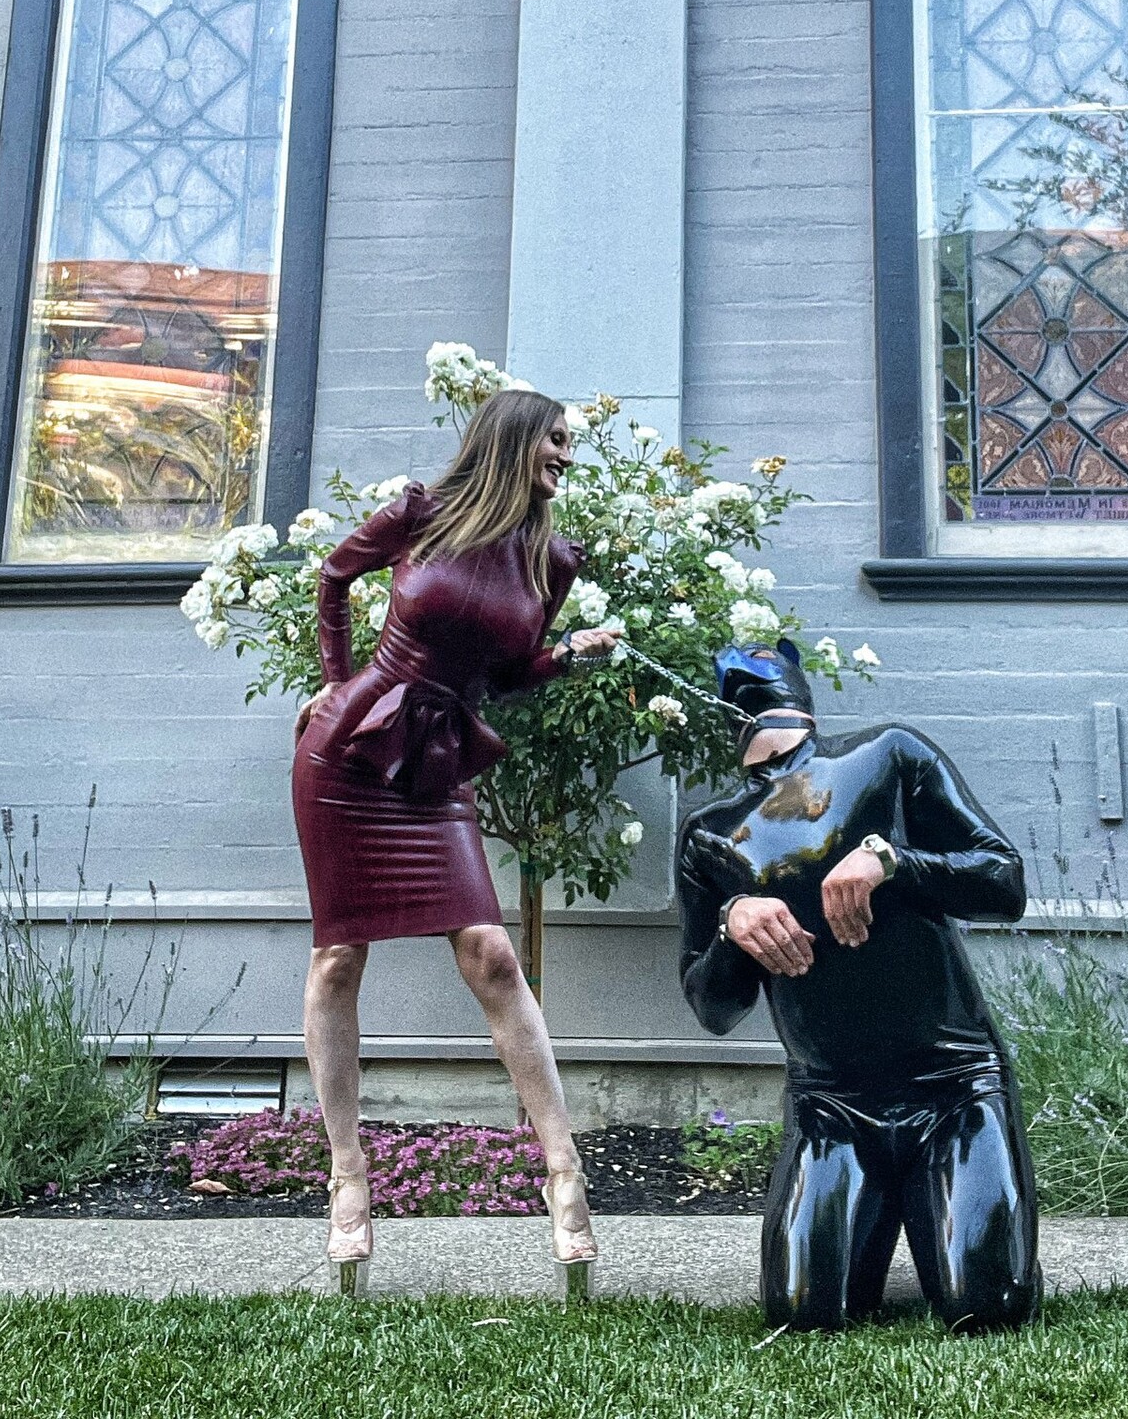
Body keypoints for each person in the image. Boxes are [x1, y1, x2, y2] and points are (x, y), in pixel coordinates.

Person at [292, 388, 621, 1288]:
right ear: (514, 439)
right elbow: (334, 577)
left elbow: (507, 674)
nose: (567, 456)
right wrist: (335, 681)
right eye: (557, 440)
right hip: (351, 748)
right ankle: (349, 1175)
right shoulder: (420, 513)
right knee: (338, 959)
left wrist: (567, 656)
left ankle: (563, 1169)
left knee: (490, 955)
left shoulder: (550, 559)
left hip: (437, 762)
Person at [675, 640, 1040, 1333]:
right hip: (832, 1104)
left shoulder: (888, 755)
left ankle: (944, 1209)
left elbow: (1003, 881)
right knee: (802, 1312)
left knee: (987, 1308)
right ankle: (881, 1210)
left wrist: (892, 861)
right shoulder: (710, 834)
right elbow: (714, 1007)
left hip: (953, 1086)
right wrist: (731, 921)